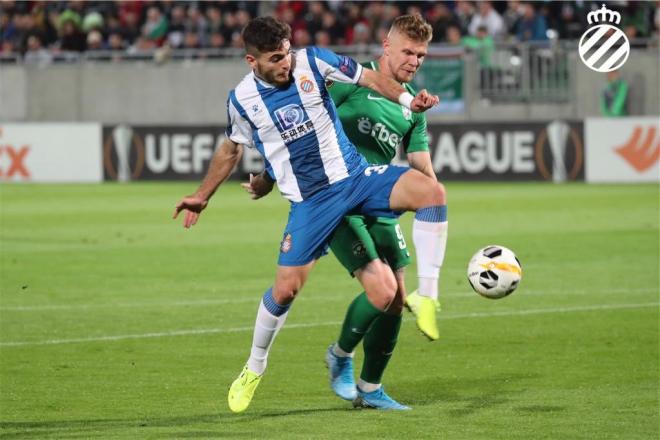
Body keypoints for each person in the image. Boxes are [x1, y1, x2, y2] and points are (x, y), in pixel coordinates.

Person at [173, 16, 445, 413]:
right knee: (286, 290)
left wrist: (408, 100)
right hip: (312, 201)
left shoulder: (313, 62)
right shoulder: (242, 101)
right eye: (275, 59)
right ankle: (254, 367)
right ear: (253, 61)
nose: (286, 64)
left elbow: (370, 80)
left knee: (432, 193)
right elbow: (231, 149)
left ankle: (427, 301)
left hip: (355, 178)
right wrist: (203, 195)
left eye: (287, 53)